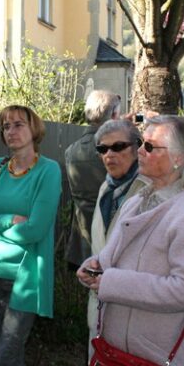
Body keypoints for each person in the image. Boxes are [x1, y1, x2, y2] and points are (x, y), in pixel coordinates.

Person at [77, 115, 184, 366]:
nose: (140, 150)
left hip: (157, 360)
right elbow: (114, 256)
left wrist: (112, 282)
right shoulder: (137, 200)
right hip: (116, 355)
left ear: (179, 158)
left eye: (150, 146)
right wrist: (94, 266)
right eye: (142, 143)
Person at [0, 105, 61, 366]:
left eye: (18, 124)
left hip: (24, 279)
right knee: (9, 356)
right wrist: (8, 220)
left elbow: (35, 230)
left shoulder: (48, 170)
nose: (11, 131)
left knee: (4, 362)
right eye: (6, 126)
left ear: (34, 129)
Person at [85, 118, 149, 358]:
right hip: (100, 304)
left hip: (133, 309)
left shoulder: (148, 190)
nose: (109, 154)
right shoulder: (106, 188)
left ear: (136, 147)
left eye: (118, 146)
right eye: (103, 149)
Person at [64, 90, 121, 267]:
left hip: (82, 236)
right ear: (114, 115)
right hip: (110, 236)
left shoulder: (71, 150)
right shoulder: (115, 151)